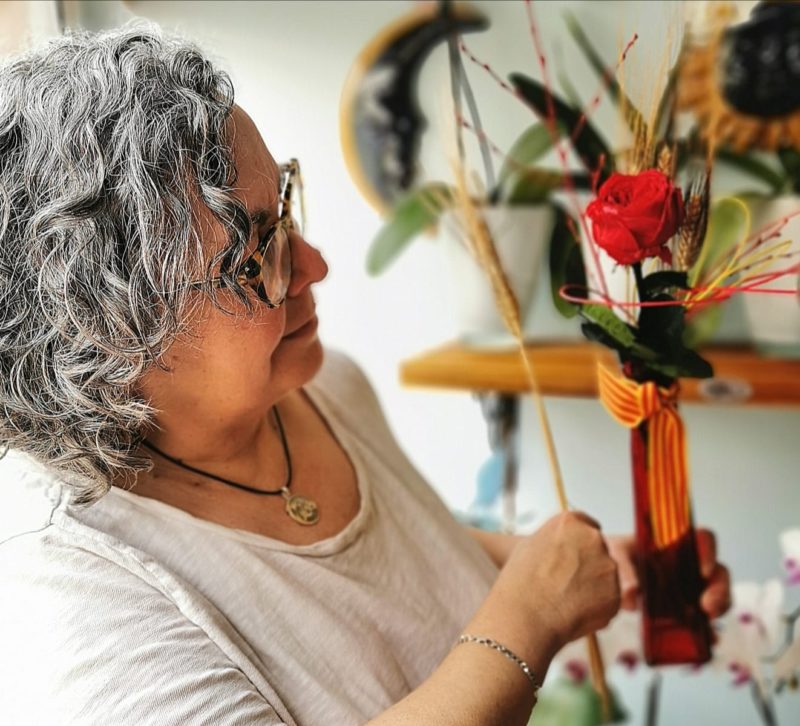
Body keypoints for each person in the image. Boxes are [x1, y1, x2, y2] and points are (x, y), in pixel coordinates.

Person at [0, 24, 730, 726]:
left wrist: (578, 571)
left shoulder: (323, 390)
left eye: (284, 207)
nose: (314, 263)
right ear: (115, 336)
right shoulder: (68, 586)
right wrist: (529, 617)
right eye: (255, 258)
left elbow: (400, 560)